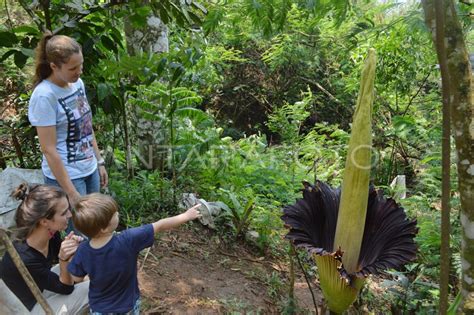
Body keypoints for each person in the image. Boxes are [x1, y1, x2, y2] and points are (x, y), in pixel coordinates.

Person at [67, 193, 201, 314]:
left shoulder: (83, 250)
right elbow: (159, 225)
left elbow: (77, 278)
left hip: (99, 309)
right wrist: (186, 216)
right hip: (127, 307)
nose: (118, 214)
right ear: (103, 228)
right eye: (114, 214)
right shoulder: (128, 240)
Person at [28, 32, 108, 207]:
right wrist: (71, 193)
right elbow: (48, 149)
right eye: (72, 68)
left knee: (95, 227)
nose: (79, 72)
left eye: (80, 66)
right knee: (78, 233)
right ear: (54, 66)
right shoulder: (44, 96)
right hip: (67, 176)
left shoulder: (77, 84)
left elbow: (86, 126)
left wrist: (99, 161)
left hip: (89, 168)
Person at [0, 183, 89, 314]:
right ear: (44, 221)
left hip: (38, 288)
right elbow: (66, 288)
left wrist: (74, 250)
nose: (70, 214)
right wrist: (64, 260)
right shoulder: (25, 257)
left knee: (89, 267)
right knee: (93, 287)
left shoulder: (50, 233)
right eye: (64, 212)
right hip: (27, 309)